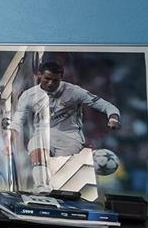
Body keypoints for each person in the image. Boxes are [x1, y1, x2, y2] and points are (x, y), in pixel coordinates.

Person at [7, 53, 121, 196]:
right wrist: (11, 137)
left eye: (55, 80)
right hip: (43, 132)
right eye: (47, 79)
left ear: (61, 77)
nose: (50, 83)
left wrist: (113, 118)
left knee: (63, 179)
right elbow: (18, 119)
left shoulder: (74, 92)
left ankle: (63, 192)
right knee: (37, 149)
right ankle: (41, 187)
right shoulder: (29, 95)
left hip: (70, 136)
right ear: (39, 75)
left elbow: (105, 105)